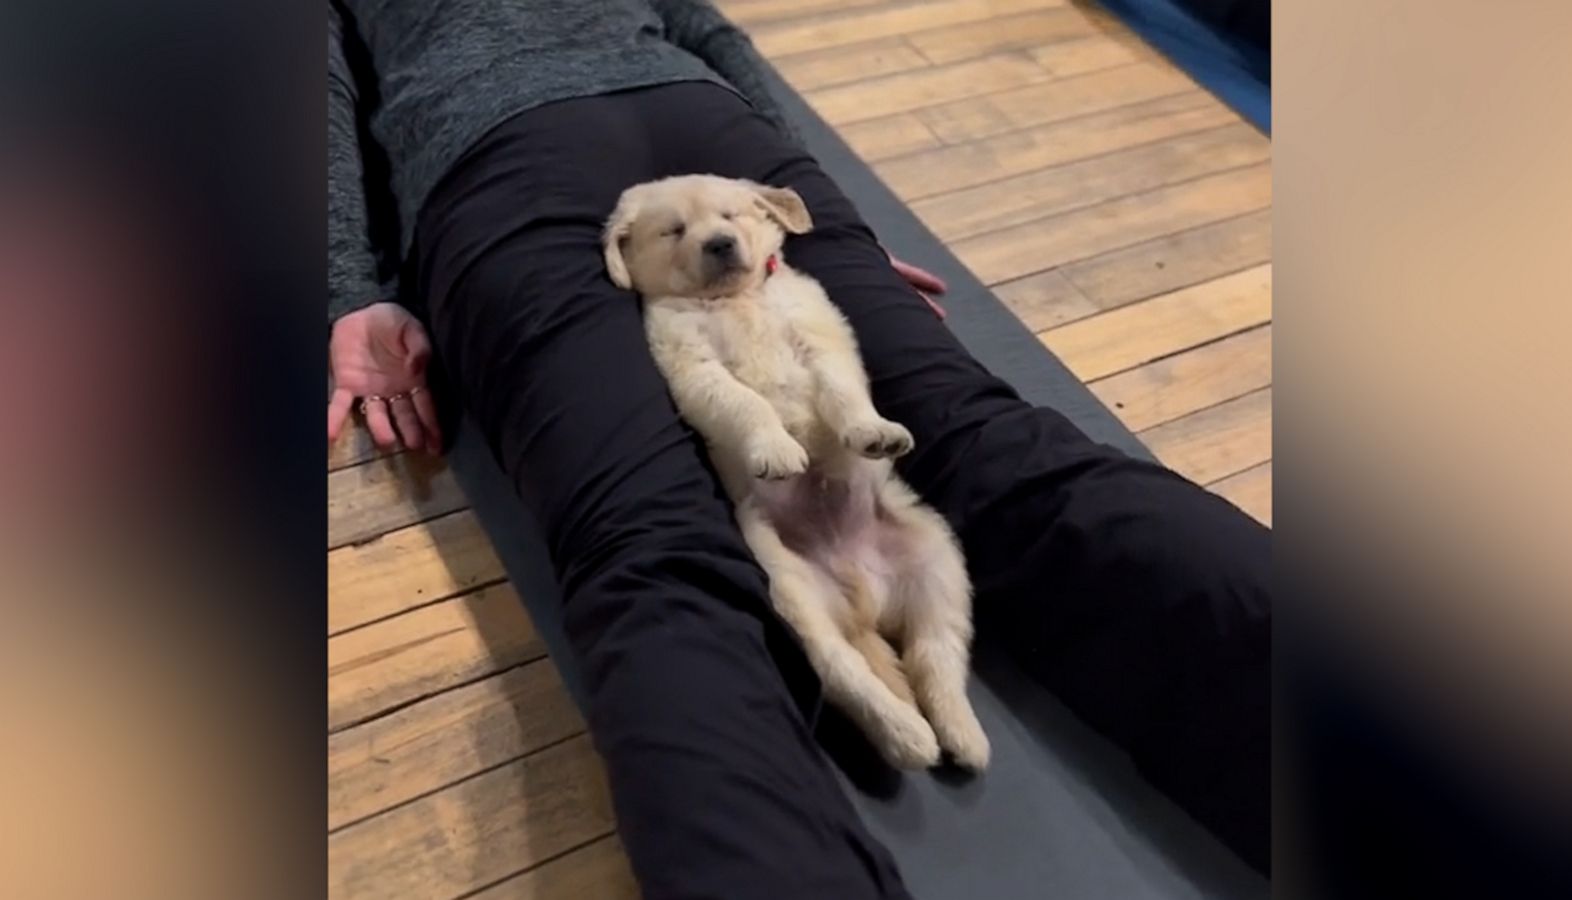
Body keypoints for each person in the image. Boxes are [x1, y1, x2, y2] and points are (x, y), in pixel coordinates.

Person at [326, 1, 1271, 896]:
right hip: (714, 137)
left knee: (647, 545)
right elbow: (706, 29)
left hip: (498, 157)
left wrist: (348, 293)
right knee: (986, 440)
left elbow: (317, 92)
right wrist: (810, 206)